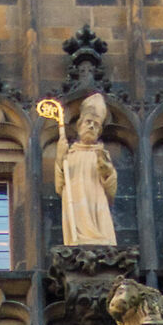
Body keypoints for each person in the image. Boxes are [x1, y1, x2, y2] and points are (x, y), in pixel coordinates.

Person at [50, 93, 119, 247]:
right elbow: (60, 185)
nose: (91, 126)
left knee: (98, 219)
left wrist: (107, 172)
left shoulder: (102, 154)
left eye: (96, 124)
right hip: (76, 200)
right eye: (88, 122)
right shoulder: (71, 153)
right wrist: (61, 158)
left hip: (96, 199)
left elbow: (111, 189)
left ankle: (99, 237)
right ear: (79, 126)